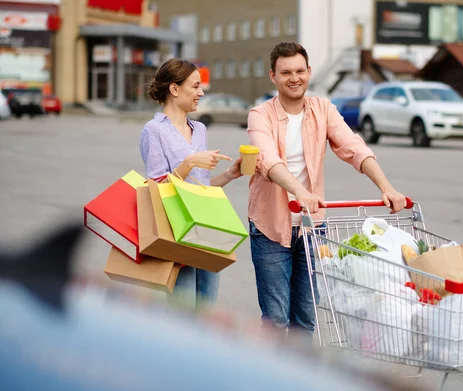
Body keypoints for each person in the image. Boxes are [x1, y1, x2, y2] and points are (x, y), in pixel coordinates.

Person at [247, 42, 408, 342]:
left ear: (309, 72)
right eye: (285, 72)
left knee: (307, 316)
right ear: (273, 76)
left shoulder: (323, 109)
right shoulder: (260, 115)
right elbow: (267, 159)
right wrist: (299, 192)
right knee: (277, 318)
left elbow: (354, 147)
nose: (294, 78)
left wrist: (387, 187)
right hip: (270, 227)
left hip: (312, 226)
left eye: (299, 71)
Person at [140, 58, 242, 305]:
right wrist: (189, 163)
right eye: (195, 86)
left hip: (206, 229)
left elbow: (201, 190)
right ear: (174, 89)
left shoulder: (199, 129)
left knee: (206, 309)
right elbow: (156, 190)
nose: (201, 92)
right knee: (183, 314)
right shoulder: (154, 130)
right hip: (177, 232)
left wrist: (229, 174)